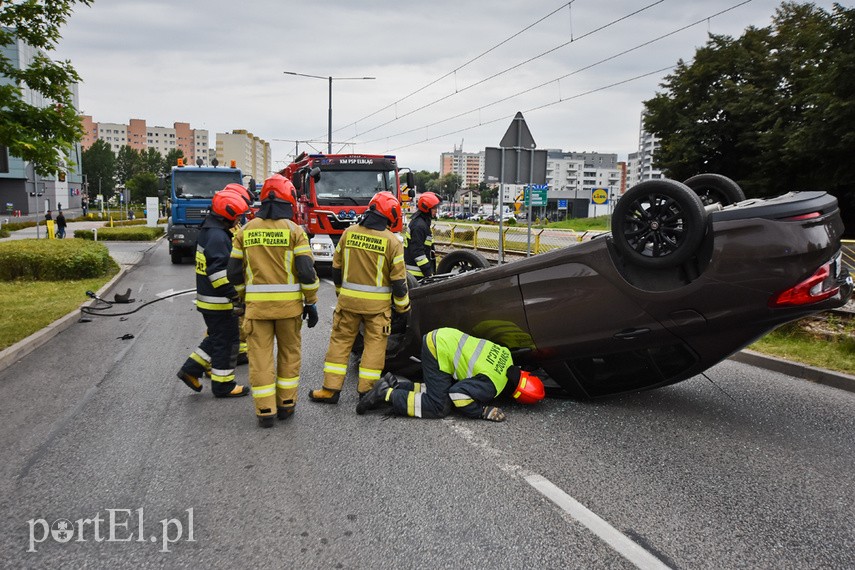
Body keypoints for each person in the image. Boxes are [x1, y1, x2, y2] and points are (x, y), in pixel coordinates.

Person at [227, 175, 320, 428]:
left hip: (257, 310)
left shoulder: (245, 231)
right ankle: (286, 404)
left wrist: (243, 296)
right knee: (289, 355)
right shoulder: (295, 231)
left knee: (260, 359)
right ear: (288, 199)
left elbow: (233, 272)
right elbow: (306, 272)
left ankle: (265, 410)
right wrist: (311, 301)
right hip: (289, 310)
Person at [309, 191, 410, 404]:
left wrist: (340, 292)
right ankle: (367, 392)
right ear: (390, 215)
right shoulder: (392, 242)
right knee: (374, 346)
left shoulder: (348, 233)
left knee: (340, 343)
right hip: (378, 309)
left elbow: (336, 268)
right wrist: (403, 309)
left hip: (348, 304)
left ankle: (330, 390)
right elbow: (399, 282)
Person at [356, 327, 546, 421]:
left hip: (444, 337)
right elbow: (458, 394)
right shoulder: (493, 386)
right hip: (439, 349)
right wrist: (482, 411)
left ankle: (395, 384)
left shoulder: (507, 355)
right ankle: (387, 394)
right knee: (439, 406)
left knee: (440, 390)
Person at [176, 185, 251, 398]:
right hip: (218, 301)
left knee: (217, 337)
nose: (239, 220)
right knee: (227, 341)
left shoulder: (210, 231)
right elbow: (218, 273)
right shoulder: (218, 237)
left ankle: (190, 369)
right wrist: (235, 295)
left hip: (209, 299)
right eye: (237, 217)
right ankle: (223, 386)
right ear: (227, 215)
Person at [403, 192, 441, 280]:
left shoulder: (423, 222)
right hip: (417, 274)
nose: (436, 211)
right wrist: (428, 272)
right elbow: (418, 252)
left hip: (420, 271)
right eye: (434, 208)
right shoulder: (419, 226)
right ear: (426, 208)